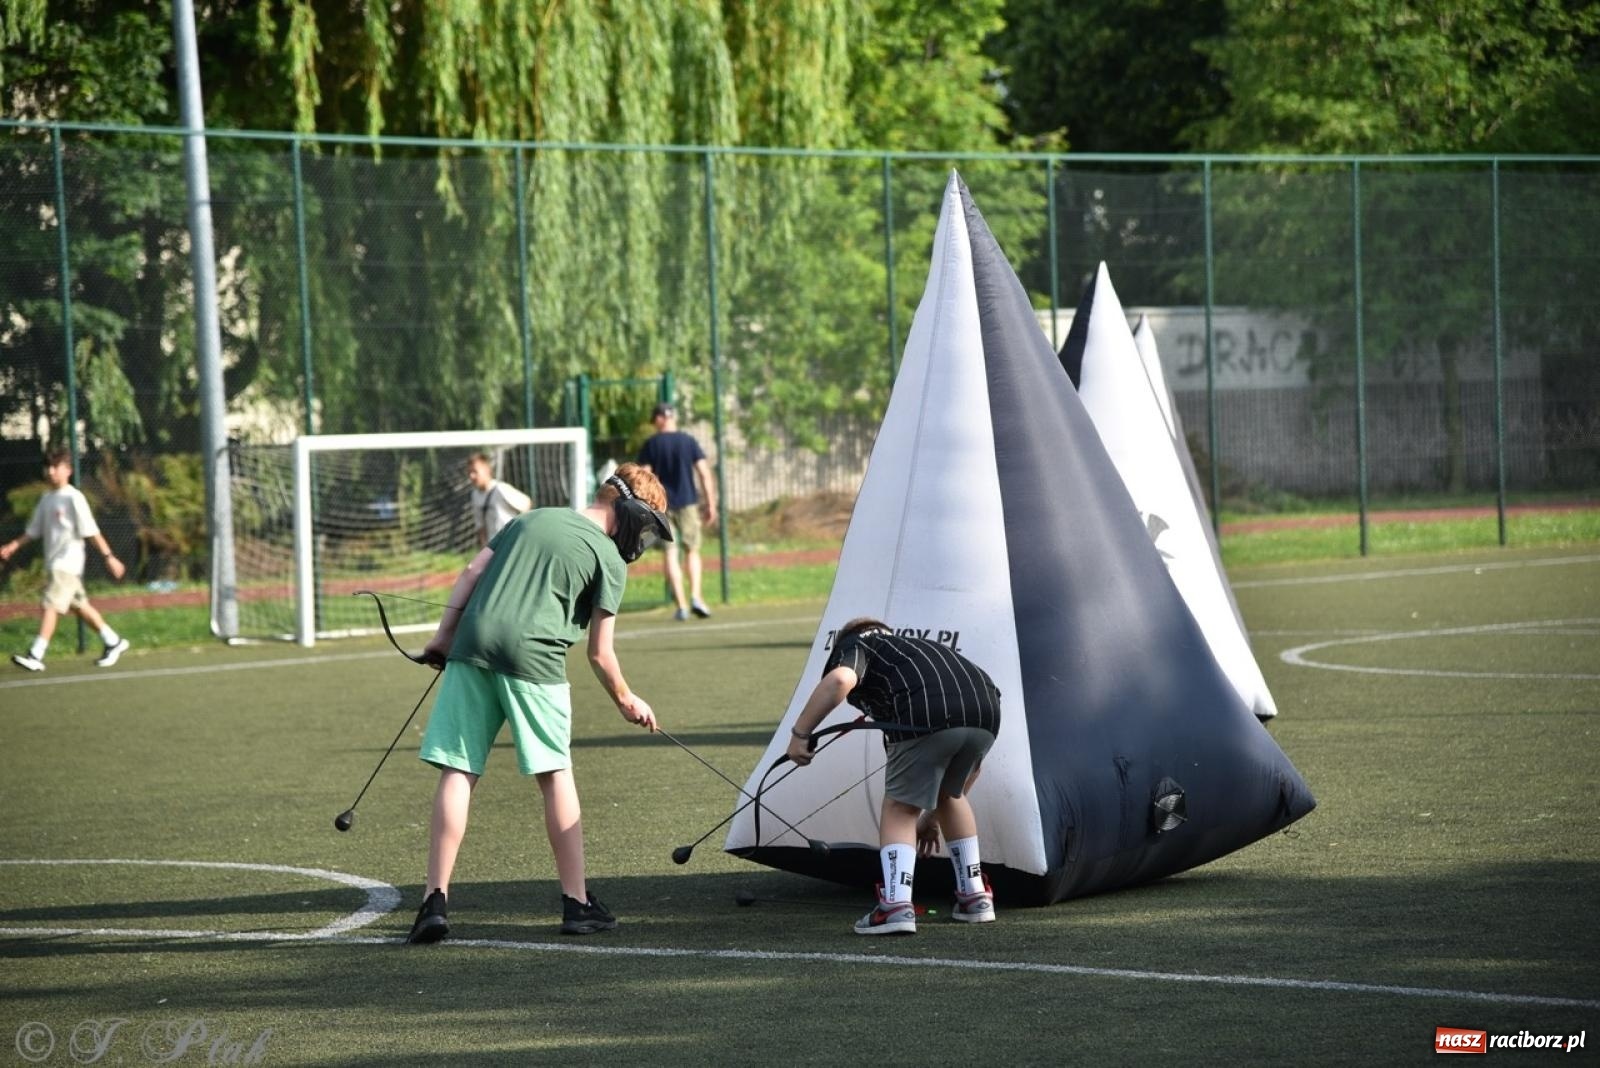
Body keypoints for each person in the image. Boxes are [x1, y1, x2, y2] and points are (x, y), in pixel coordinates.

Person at [405, 462, 672, 945]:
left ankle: (433, 902)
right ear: (632, 513)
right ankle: (576, 902)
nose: (645, 539)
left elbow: (471, 574)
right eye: (649, 526)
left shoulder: (529, 519)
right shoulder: (609, 560)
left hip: (472, 645)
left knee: (459, 770)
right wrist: (627, 700)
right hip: (534, 660)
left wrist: (442, 639)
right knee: (555, 774)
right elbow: (600, 654)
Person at [785, 618, 1001, 935]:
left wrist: (800, 733)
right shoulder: (920, 649)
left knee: (900, 807)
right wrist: (933, 820)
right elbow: (968, 777)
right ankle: (974, 896)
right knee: (950, 794)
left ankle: (896, 906)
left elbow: (840, 680)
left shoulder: (860, 642)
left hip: (927, 714)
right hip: (987, 711)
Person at [2, 449, 130, 672]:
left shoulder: (74, 498)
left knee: (50, 604)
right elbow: (33, 531)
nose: (50, 472)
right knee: (80, 606)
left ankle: (36, 654)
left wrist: (109, 557)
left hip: (68, 563)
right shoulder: (47, 499)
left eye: (56, 467)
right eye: (48, 467)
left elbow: (91, 530)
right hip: (55, 564)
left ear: (68, 471)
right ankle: (113, 641)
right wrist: (12, 546)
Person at [636, 403, 718, 621]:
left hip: (662, 506)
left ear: (659, 419)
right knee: (692, 550)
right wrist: (711, 503)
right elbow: (703, 472)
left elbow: (644, 477)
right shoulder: (688, 441)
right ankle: (696, 597)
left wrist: (647, 506)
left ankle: (681, 605)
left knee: (671, 553)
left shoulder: (651, 445)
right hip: (688, 503)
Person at [466, 451, 533, 548]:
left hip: (511, 543)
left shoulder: (501, 489)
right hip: (494, 547)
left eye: (475, 471)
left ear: (487, 470)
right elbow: (480, 526)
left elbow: (527, 504)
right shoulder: (475, 495)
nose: (471, 476)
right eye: (469, 472)